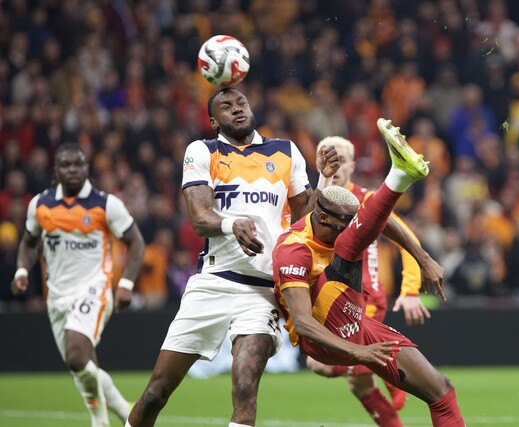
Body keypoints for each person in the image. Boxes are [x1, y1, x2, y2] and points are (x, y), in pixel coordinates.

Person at [126, 87, 339, 427]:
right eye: (226, 106)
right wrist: (231, 224)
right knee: (156, 393)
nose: (237, 109)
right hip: (213, 282)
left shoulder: (285, 151)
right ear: (213, 121)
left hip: (263, 290)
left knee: (244, 384)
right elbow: (199, 217)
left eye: (241, 103)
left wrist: (325, 178)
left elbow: (306, 222)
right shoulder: (203, 151)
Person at [272, 118, 465, 427]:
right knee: (349, 245)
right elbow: (304, 324)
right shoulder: (293, 249)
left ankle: (400, 175)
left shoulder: (348, 209)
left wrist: (424, 259)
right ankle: (398, 176)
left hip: (360, 316)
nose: (354, 226)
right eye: (346, 223)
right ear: (323, 218)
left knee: (441, 390)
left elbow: (383, 221)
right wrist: (358, 353)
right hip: (322, 332)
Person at [11, 142, 145, 427]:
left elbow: (135, 242)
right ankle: (126, 412)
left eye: (78, 164)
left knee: (76, 356)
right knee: (83, 366)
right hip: (57, 296)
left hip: (94, 289)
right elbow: (29, 243)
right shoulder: (40, 205)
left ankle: (100, 421)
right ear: (56, 170)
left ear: (87, 167)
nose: (73, 169)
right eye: (66, 165)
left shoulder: (105, 204)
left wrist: (126, 283)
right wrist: (22, 270)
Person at [306, 135, 437, 425]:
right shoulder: (313, 204)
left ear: (352, 165)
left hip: (364, 298)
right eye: (327, 157)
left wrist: (410, 290)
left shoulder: (366, 199)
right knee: (360, 385)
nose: (334, 164)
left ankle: (389, 371)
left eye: (341, 158)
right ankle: (385, 373)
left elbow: (407, 239)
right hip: (329, 298)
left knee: (317, 364)